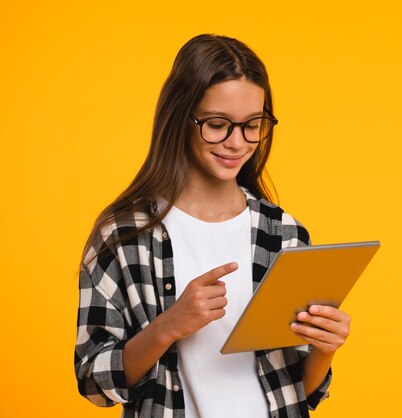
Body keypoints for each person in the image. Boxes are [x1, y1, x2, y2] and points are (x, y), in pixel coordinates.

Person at [74, 34, 351, 418]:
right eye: (218, 124)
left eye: (253, 124)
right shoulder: (124, 237)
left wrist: (325, 348)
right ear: (180, 117)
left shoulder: (285, 234)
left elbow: (297, 389)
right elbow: (92, 381)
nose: (237, 142)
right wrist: (166, 327)